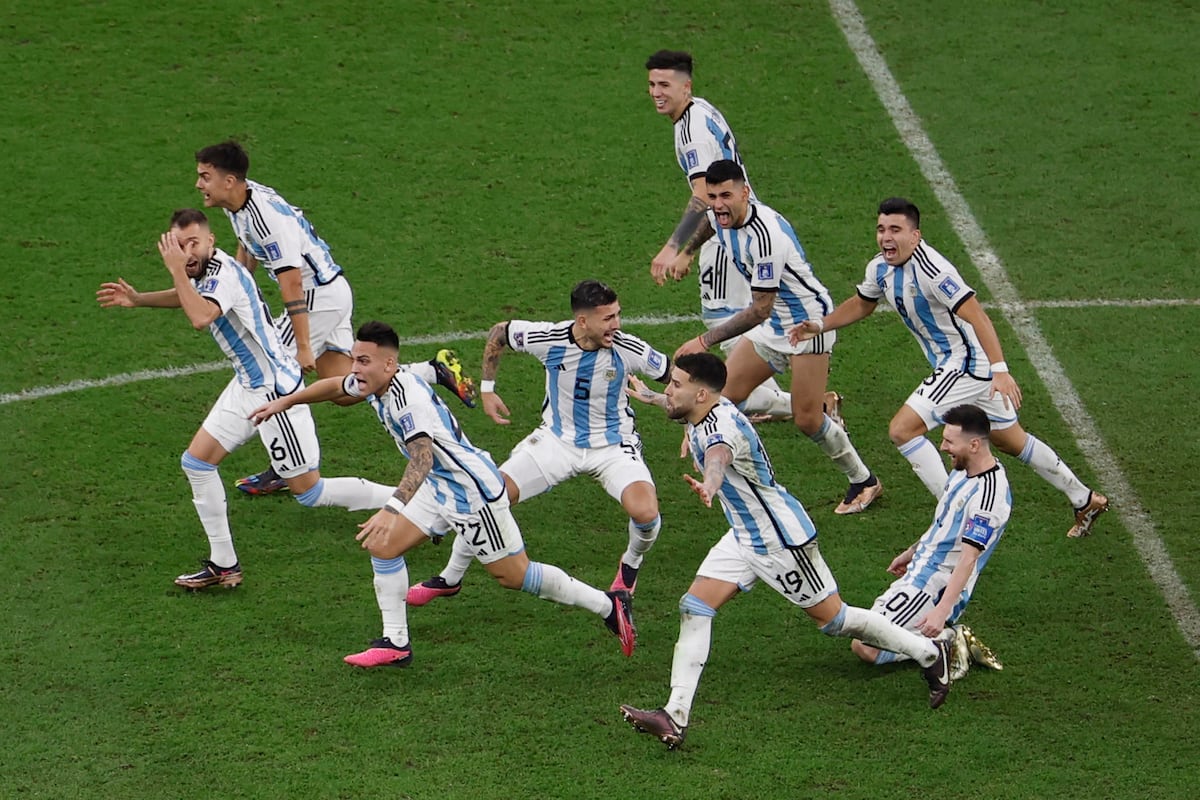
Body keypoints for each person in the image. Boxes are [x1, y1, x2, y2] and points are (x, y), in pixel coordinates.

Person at [248, 321, 636, 666]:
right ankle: (396, 643)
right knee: (383, 548)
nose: (355, 369)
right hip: (441, 488)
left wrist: (391, 508)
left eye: (363, 361)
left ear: (388, 364)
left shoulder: (406, 402)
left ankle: (607, 605)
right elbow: (336, 386)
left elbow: (423, 458)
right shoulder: (376, 378)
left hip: (471, 494)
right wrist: (286, 402)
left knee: (514, 576)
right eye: (354, 359)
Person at [618, 353, 953, 751]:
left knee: (836, 620)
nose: (669, 389)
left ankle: (931, 653)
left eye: (675, 384)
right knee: (694, 607)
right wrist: (654, 397)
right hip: (745, 536)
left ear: (702, 393)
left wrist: (710, 485)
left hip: (780, 543)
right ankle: (674, 716)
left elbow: (718, 457)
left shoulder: (721, 431)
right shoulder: (710, 406)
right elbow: (693, 418)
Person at [96, 209, 397, 589]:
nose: (186, 252)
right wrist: (139, 299)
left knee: (311, 492)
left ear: (211, 242)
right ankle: (224, 564)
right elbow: (190, 296)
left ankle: (412, 501)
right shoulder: (205, 272)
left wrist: (174, 269)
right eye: (178, 245)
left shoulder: (222, 274)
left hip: (273, 392)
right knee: (196, 463)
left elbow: (201, 315)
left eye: (193, 243)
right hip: (247, 385)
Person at [790, 197, 1108, 537]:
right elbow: (862, 304)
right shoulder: (880, 268)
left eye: (896, 230)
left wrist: (1000, 369)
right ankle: (1084, 497)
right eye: (881, 229)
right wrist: (822, 325)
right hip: (963, 365)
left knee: (902, 429)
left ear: (915, 236)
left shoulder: (934, 271)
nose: (886, 238)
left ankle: (953, 514)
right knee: (1010, 440)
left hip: (967, 364)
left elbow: (978, 316)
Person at [193, 140, 476, 496]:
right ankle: (432, 370)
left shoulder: (263, 217)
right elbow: (247, 249)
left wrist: (304, 347)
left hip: (317, 300)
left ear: (229, 180)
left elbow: (292, 282)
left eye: (205, 177)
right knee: (344, 389)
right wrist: (238, 283)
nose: (199, 184)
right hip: (331, 291)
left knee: (271, 373)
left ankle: (287, 468)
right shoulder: (241, 203)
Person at [406, 279, 670, 606]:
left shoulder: (628, 348)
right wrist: (487, 389)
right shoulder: (551, 338)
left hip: (613, 447)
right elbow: (500, 332)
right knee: (489, 496)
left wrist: (661, 402)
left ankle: (629, 567)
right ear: (582, 321)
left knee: (645, 513)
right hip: (556, 443)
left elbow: (679, 380)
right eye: (608, 318)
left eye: (618, 315)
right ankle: (450, 577)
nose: (616, 325)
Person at [674, 160, 883, 515]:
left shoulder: (766, 237)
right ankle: (724, 460)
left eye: (727, 195)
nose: (719, 204)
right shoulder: (719, 215)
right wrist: (685, 253)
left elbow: (760, 310)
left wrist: (705, 341)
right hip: (772, 329)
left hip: (805, 327)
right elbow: (708, 224)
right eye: (712, 196)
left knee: (807, 420)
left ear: (745, 192)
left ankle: (864, 481)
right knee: (723, 395)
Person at [644, 49, 792, 422]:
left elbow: (704, 196)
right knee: (730, 321)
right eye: (651, 84)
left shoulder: (692, 132)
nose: (656, 92)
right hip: (732, 228)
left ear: (685, 86)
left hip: (730, 234)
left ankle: (798, 403)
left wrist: (675, 247)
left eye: (664, 85)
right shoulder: (700, 110)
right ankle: (775, 397)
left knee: (723, 322)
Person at [849, 404, 1008, 680]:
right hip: (921, 570)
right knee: (866, 631)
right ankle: (941, 640)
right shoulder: (963, 470)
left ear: (973, 444)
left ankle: (945, 640)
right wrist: (913, 551)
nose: (943, 447)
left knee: (865, 646)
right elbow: (944, 523)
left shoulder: (988, 498)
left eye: (949, 441)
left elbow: (968, 558)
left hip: (934, 586)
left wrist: (941, 611)